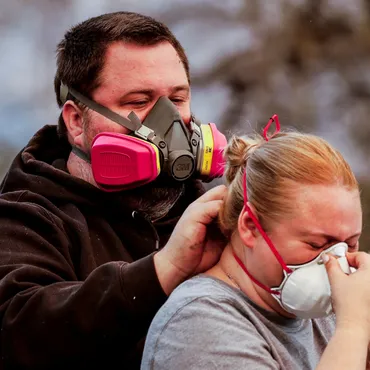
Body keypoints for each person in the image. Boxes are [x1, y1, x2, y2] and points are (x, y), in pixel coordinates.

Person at [0, 11, 228, 369]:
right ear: (76, 121)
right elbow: (19, 330)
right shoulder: (24, 218)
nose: (168, 121)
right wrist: (162, 271)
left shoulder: (215, 215)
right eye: (138, 102)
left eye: (178, 99)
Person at [142, 115, 370, 369]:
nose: (335, 264)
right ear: (250, 227)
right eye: (316, 245)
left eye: (349, 244)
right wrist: (353, 327)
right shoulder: (197, 323)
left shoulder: (328, 314)